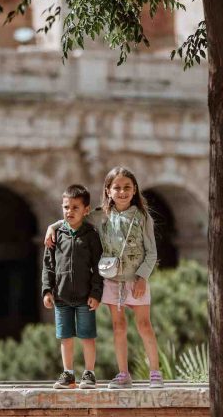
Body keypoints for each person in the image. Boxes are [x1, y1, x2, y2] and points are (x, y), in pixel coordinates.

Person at [46, 167, 163, 389]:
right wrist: (52, 227)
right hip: (111, 280)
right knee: (118, 327)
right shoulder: (101, 215)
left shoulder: (142, 217)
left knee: (144, 325)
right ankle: (123, 374)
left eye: (127, 187)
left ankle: (155, 373)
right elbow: (74, 219)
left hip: (136, 280)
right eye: (116, 187)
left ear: (135, 189)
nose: (122, 192)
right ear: (108, 191)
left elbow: (152, 252)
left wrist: (141, 277)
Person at [42, 184, 104, 389]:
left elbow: (98, 267)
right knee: (65, 336)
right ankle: (68, 374)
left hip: (86, 297)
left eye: (75, 207)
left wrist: (96, 293)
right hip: (61, 297)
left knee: (87, 336)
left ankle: (89, 373)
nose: (70, 212)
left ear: (86, 210)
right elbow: (48, 265)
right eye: (66, 207)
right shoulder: (56, 234)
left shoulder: (91, 235)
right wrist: (47, 290)